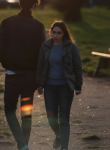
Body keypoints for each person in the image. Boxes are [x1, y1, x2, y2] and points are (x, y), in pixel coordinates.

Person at [0, 0, 46, 150]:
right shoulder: (39, 26)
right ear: (34, 5)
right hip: (30, 77)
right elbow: (42, 55)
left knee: (9, 110)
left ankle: (21, 144)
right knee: (26, 113)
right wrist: (40, 79)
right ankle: (23, 144)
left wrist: (6, 63)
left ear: (19, 3)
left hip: (12, 76)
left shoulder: (6, 22)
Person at [36, 21, 83, 150]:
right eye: (54, 32)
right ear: (51, 32)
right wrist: (39, 84)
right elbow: (40, 66)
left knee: (64, 118)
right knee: (51, 118)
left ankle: (64, 147)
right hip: (50, 86)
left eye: (59, 33)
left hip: (65, 87)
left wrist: (78, 86)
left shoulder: (71, 47)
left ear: (64, 33)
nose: (55, 35)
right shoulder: (45, 46)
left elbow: (78, 67)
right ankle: (58, 135)